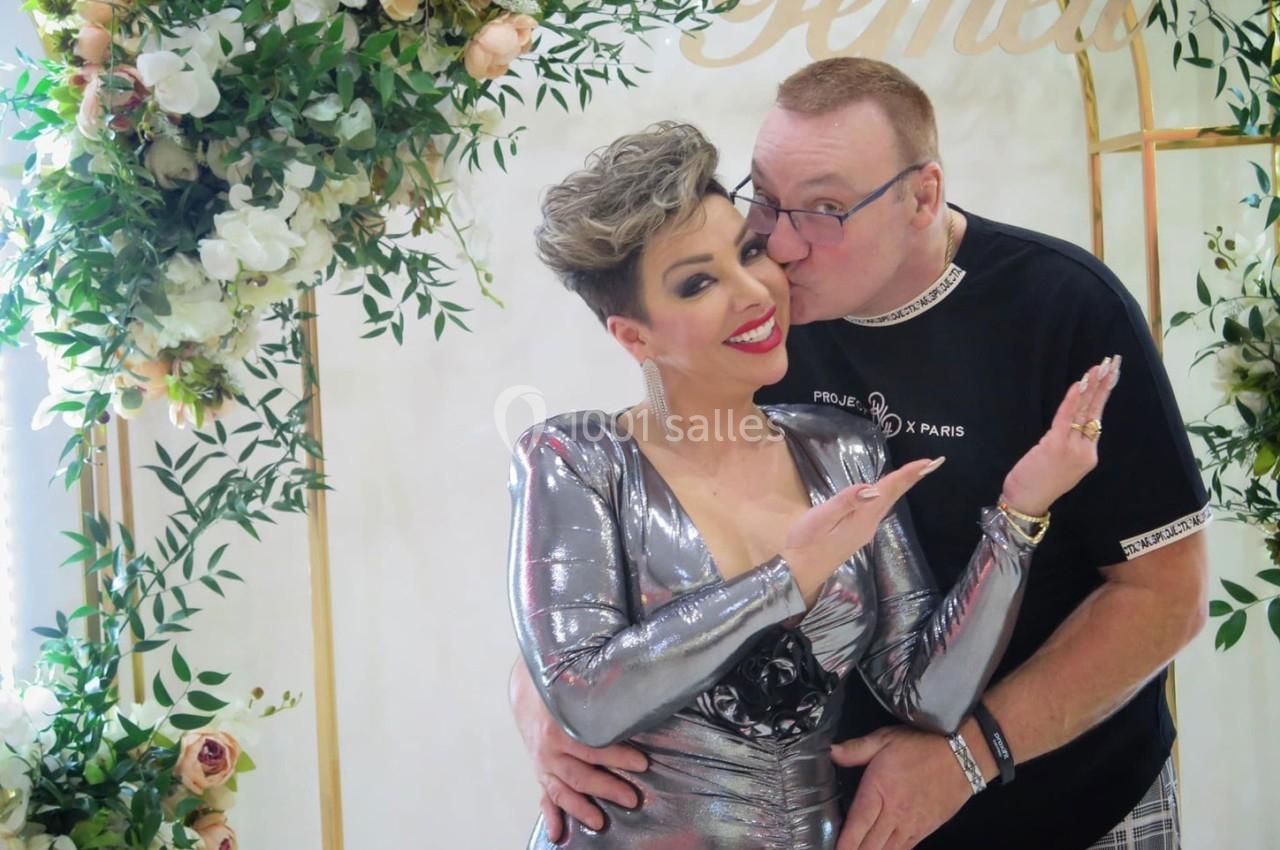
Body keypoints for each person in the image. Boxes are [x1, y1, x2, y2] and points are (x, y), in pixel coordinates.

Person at [510, 59, 1210, 850]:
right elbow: (613, 567)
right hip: (845, 818)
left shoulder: (1062, 309)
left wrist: (968, 756)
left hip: (1069, 800)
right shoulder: (764, 326)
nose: (779, 245)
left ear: (922, 195)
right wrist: (540, 698)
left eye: (825, 209)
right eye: (766, 200)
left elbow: (1166, 597)